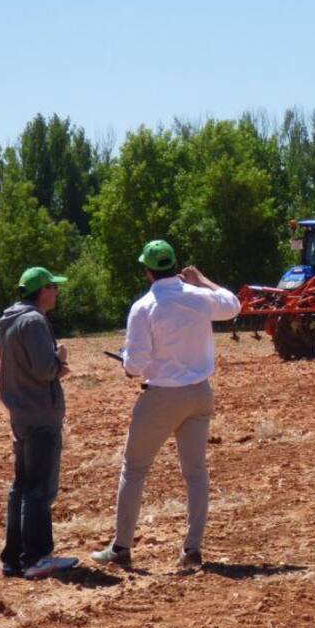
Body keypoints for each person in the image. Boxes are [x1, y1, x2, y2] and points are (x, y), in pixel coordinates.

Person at [91, 240, 241, 571]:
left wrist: (128, 364)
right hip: (199, 393)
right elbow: (233, 304)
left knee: (134, 469)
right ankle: (192, 550)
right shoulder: (200, 297)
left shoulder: (144, 307)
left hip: (161, 396)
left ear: (147, 270)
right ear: (175, 266)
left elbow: (135, 366)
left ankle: (121, 548)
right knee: (196, 472)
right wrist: (202, 279)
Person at [0, 267, 79, 579]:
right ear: (42, 290)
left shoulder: (10, 319)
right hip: (40, 414)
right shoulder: (33, 321)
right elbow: (45, 370)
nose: (57, 292)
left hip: (20, 413)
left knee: (22, 485)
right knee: (39, 489)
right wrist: (60, 358)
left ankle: (13, 558)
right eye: (53, 287)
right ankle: (37, 557)